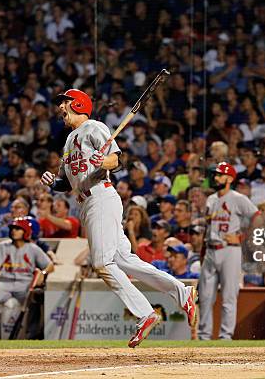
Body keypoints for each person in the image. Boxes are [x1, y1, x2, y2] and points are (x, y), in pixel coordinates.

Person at [40, 88, 196, 348]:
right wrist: (53, 183)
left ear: (78, 104)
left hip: (101, 197)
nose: (60, 108)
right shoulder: (69, 141)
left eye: (65, 103)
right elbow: (68, 183)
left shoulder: (93, 127)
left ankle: (145, 314)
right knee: (125, 260)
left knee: (102, 263)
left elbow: (117, 159)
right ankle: (183, 292)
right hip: (86, 202)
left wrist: (105, 162)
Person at [198, 162, 259, 340]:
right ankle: (204, 336)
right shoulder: (211, 199)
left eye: (219, 175)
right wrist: (202, 253)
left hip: (230, 250)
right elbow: (207, 228)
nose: (215, 178)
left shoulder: (238, 198)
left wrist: (242, 237)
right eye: (215, 175)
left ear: (230, 178)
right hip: (210, 249)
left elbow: (259, 218)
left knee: (229, 297)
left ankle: (225, 336)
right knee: (205, 297)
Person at [0, 217, 54, 339]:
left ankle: (31, 335)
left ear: (25, 231)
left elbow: (50, 266)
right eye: (12, 228)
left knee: (34, 299)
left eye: (18, 229)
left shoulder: (33, 248)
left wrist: (42, 274)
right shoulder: (3, 246)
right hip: (5, 282)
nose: (14, 231)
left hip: (25, 283)